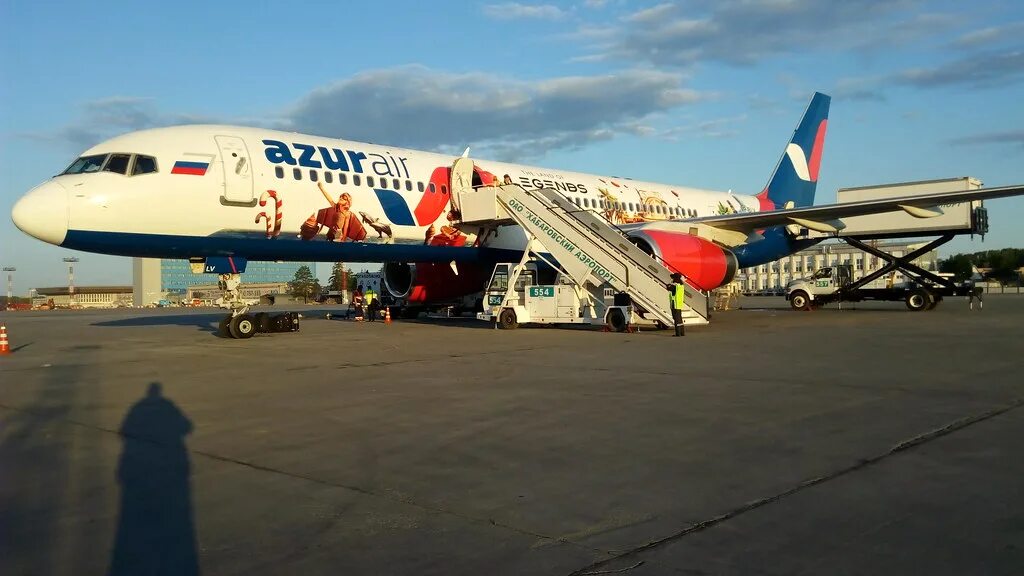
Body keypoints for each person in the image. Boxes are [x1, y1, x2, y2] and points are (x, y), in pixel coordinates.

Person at [667, 272, 686, 337]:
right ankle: (682, 332)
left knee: (676, 319)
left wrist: (669, 284)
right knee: (679, 319)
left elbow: (668, 288)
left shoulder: (675, 286)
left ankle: (678, 333)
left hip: (674, 304)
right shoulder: (681, 286)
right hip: (679, 304)